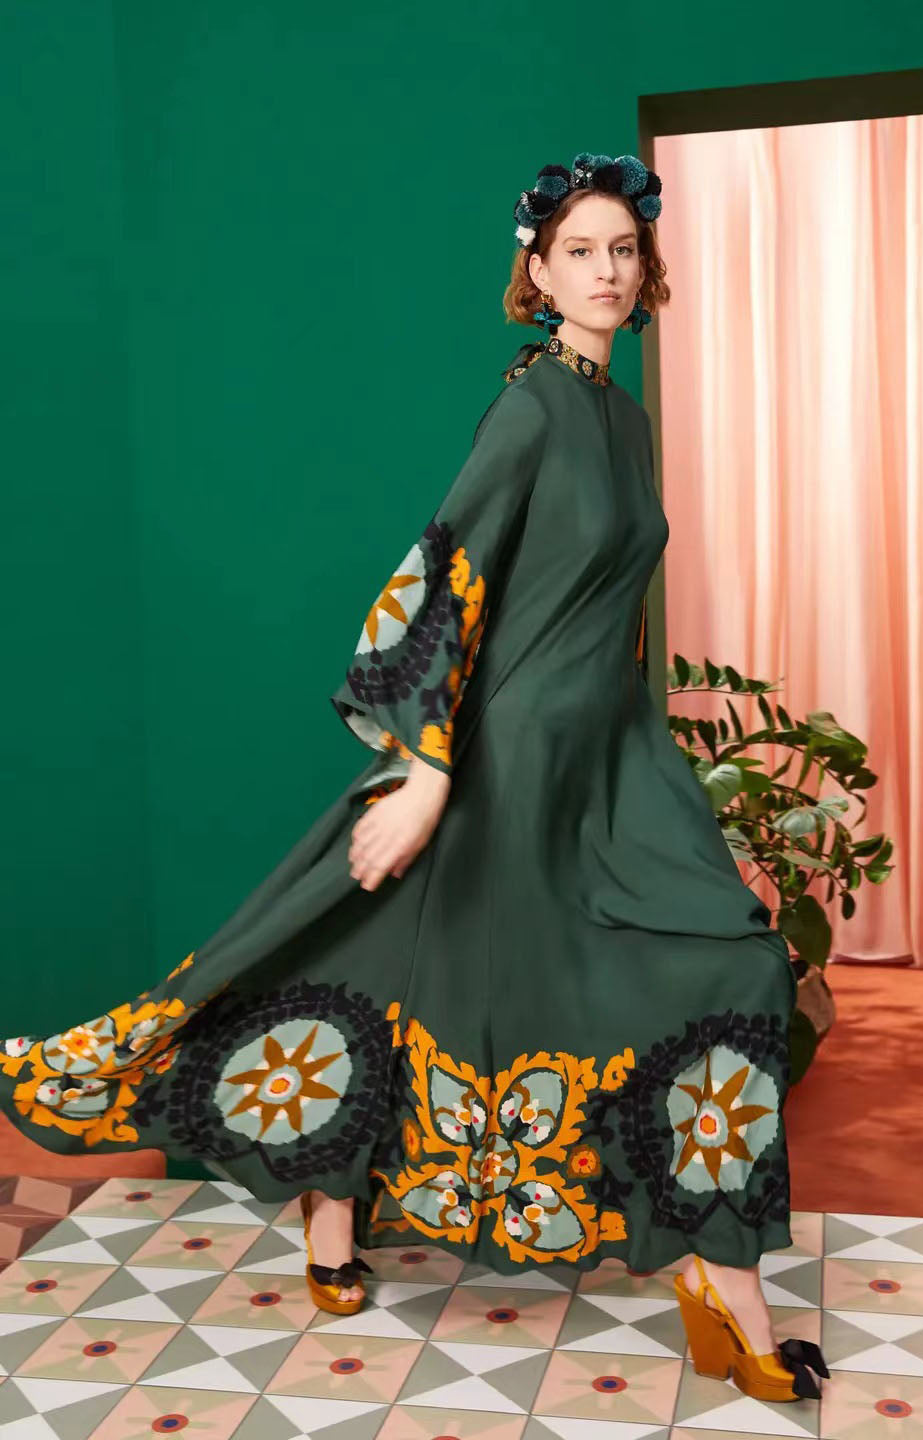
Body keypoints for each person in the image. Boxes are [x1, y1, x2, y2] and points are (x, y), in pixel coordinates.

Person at [1, 150, 829, 1403]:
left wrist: (645, 767)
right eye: (580, 252)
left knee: (726, 965)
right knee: (381, 956)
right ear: (537, 270)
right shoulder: (533, 407)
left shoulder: (624, 417)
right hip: (510, 756)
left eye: (623, 250)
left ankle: (702, 1277)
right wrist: (431, 769)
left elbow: (611, 612)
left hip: (612, 755)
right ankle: (697, 1288)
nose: (607, 272)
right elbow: (445, 572)